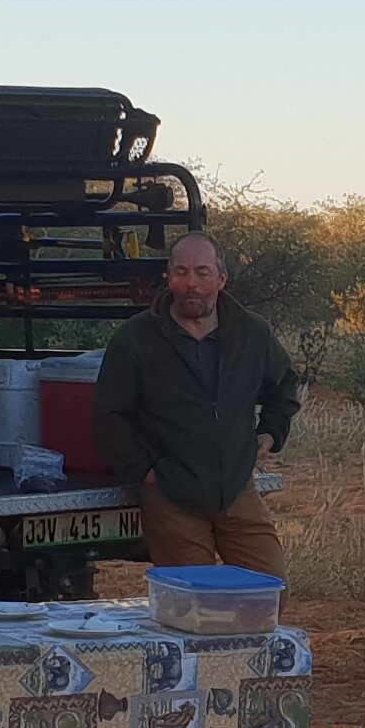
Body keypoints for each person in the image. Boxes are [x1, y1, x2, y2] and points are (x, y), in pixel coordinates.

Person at [97, 230, 298, 578]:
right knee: (195, 601)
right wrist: (145, 471)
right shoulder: (136, 339)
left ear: (221, 279)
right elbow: (108, 415)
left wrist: (270, 433)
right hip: (172, 494)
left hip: (237, 488)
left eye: (202, 272)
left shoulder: (252, 333)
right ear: (169, 277)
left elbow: (284, 387)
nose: (191, 283)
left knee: (270, 590)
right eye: (181, 272)